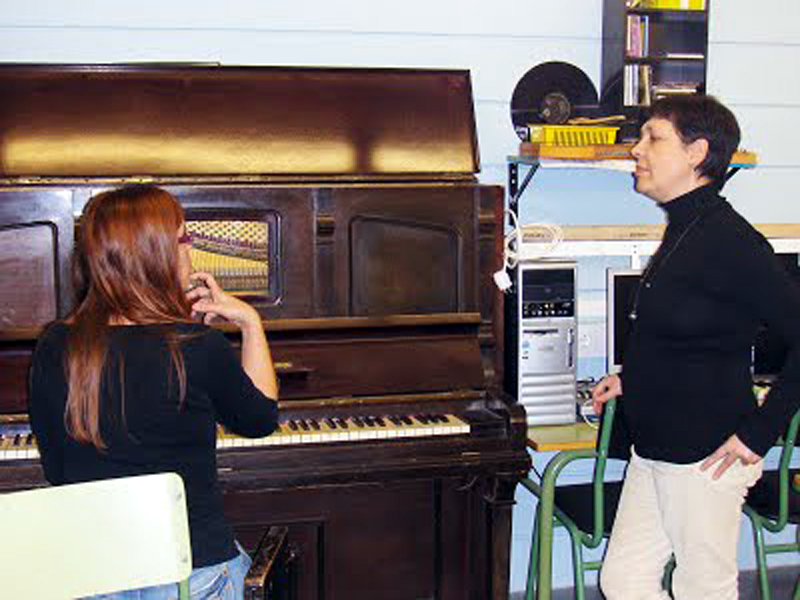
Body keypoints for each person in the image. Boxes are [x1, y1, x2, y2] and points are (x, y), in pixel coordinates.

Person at [592, 95, 800, 599]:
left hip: (708, 457)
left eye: (653, 138)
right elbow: (689, 332)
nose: (636, 150)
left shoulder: (732, 242)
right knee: (623, 580)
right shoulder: (685, 229)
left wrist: (759, 435)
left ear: (697, 152)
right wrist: (632, 380)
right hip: (656, 448)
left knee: (703, 589)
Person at [28, 184, 279, 599]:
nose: (190, 247)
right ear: (156, 252)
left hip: (92, 577)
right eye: (184, 237)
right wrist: (251, 323)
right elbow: (260, 420)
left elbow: (57, 471)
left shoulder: (55, 345)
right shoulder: (196, 345)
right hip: (191, 579)